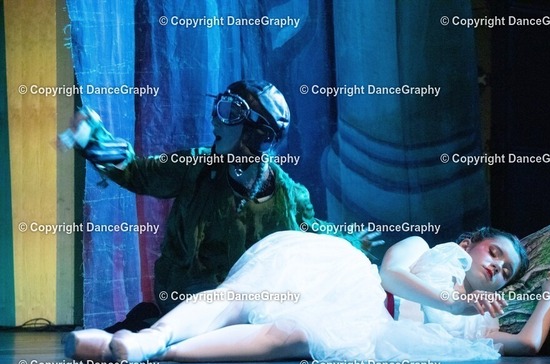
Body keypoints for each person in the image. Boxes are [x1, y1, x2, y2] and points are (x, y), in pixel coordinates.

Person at [63, 80, 380, 331]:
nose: (216, 119)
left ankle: (155, 328)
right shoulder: (195, 166)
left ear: (256, 132)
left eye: (230, 113)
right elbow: (139, 172)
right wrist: (93, 139)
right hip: (190, 298)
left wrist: (351, 242)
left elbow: (311, 230)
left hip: (248, 310)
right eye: (220, 107)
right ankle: (150, 326)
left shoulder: (288, 195)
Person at [65, 227, 550, 363]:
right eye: (494, 252)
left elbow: (527, 345)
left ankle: (143, 351)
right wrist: (452, 301)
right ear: (470, 244)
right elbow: (392, 277)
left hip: (368, 328)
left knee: (286, 335)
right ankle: (150, 337)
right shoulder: (426, 249)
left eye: (505, 271)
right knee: (243, 293)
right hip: (354, 282)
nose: (495, 266)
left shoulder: (479, 321)